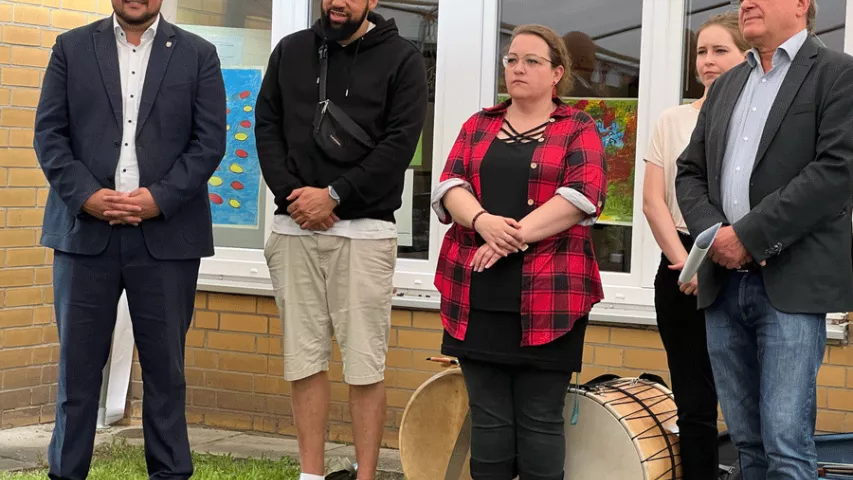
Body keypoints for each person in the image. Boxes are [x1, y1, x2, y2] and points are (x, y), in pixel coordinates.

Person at [33, 0, 226, 478]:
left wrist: (160, 198)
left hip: (166, 237)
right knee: (77, 374)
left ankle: (170, 473)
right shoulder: (70, 48)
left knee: (166, 373)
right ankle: (66, 472)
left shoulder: (199, 54)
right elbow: (49, 135)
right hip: (84, 234)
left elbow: (208, 142)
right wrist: (86, 196)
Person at [676, 0, 853, 477]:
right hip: (723, 284)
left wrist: (748, 237)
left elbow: (836, 172)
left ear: (801, 4)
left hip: (791, 284)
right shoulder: (727, 84)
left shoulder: (838, 74)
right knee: (745, 443)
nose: (746, 2)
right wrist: (716, 235)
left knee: (785, 445)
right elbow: (689, 172)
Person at [254, 0, 428, 478]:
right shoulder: (290, 51)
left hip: (365, 234)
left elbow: (400, 143)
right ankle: (310, 474)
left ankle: (364, 475)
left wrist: (335, 194)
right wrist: (294, 196)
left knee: (364, 366)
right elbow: (266, 127)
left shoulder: (403, 59)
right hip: (293, 228)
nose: (337, 2)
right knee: (303, 361)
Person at [431, 24, 607, 480]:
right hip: (477, 291)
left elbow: (583, 195)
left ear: (557, 73)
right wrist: (482, 222)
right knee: (488, 419)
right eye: (511, 59)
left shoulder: (578, 127)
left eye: (531, 61)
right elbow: (449, 186)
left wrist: (510, 237)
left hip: (553, 296)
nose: (518, 68)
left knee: (540, 419)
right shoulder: (479, 124)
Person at [642, 12, 748, 479]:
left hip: (743, 258)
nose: (707, 61)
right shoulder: (673, 119)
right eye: (701, 51)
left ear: (747, 55)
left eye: (720, 50)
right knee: (694, 400)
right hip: (680, 262)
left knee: (748, 395)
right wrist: (687, 264)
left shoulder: (756, 121)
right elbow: (653, 202)